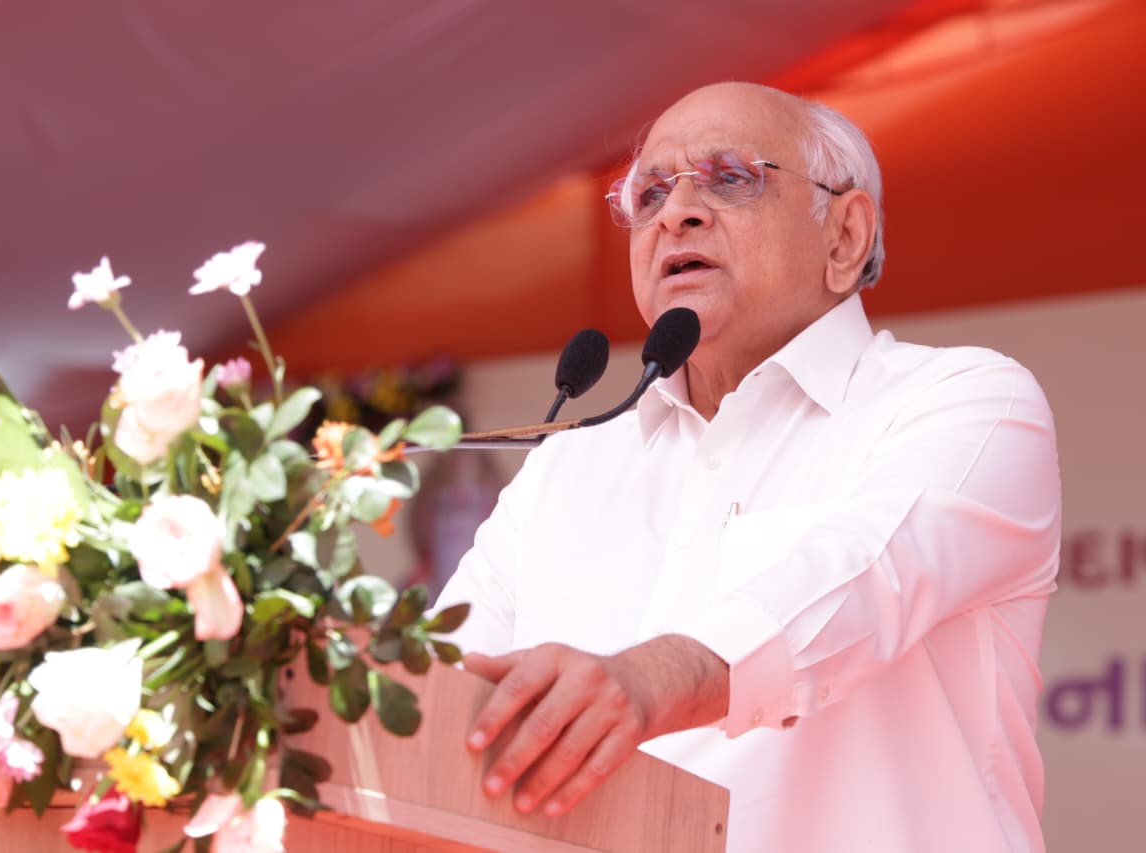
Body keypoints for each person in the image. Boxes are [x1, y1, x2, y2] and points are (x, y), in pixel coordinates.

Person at [434, 81, 1060, 853]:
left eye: (729, 178)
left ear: (844, 235)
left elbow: (861, 580)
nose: (676, 213)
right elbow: (441, 688)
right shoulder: (567, 464)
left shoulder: (968, 400)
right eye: (649, 194)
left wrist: (647, 680)